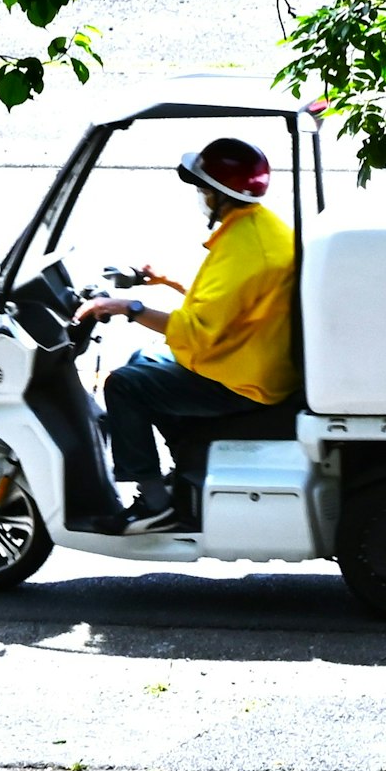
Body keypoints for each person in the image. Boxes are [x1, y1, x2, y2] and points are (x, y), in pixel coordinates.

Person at [72, 136, 299, 533]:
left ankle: (154, 503)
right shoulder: (256, 228)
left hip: (244, 379)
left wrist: (127, 307)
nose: (200, 196)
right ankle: (187, 468)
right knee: (144, 360)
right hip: (250, 356)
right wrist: (165, 281)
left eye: (203, 189)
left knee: (124, 385)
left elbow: (196, 331)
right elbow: (225, 303)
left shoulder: (247, 248)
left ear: (218, 195)